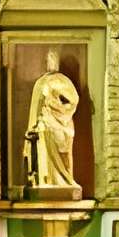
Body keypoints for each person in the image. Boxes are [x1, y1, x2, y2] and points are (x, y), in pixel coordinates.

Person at [24, 52, 83, 193]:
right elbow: (35, 108)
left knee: (63, 149)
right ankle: (45, 180)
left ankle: (65, 180)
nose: (50, 62)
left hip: (61, 123)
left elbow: (73, 100)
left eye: (52, 59)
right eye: (47, 59)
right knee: (42, 146)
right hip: (44, 124)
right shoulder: (40, 82)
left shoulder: (62, 81)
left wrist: (59, 109)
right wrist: (34, 124)